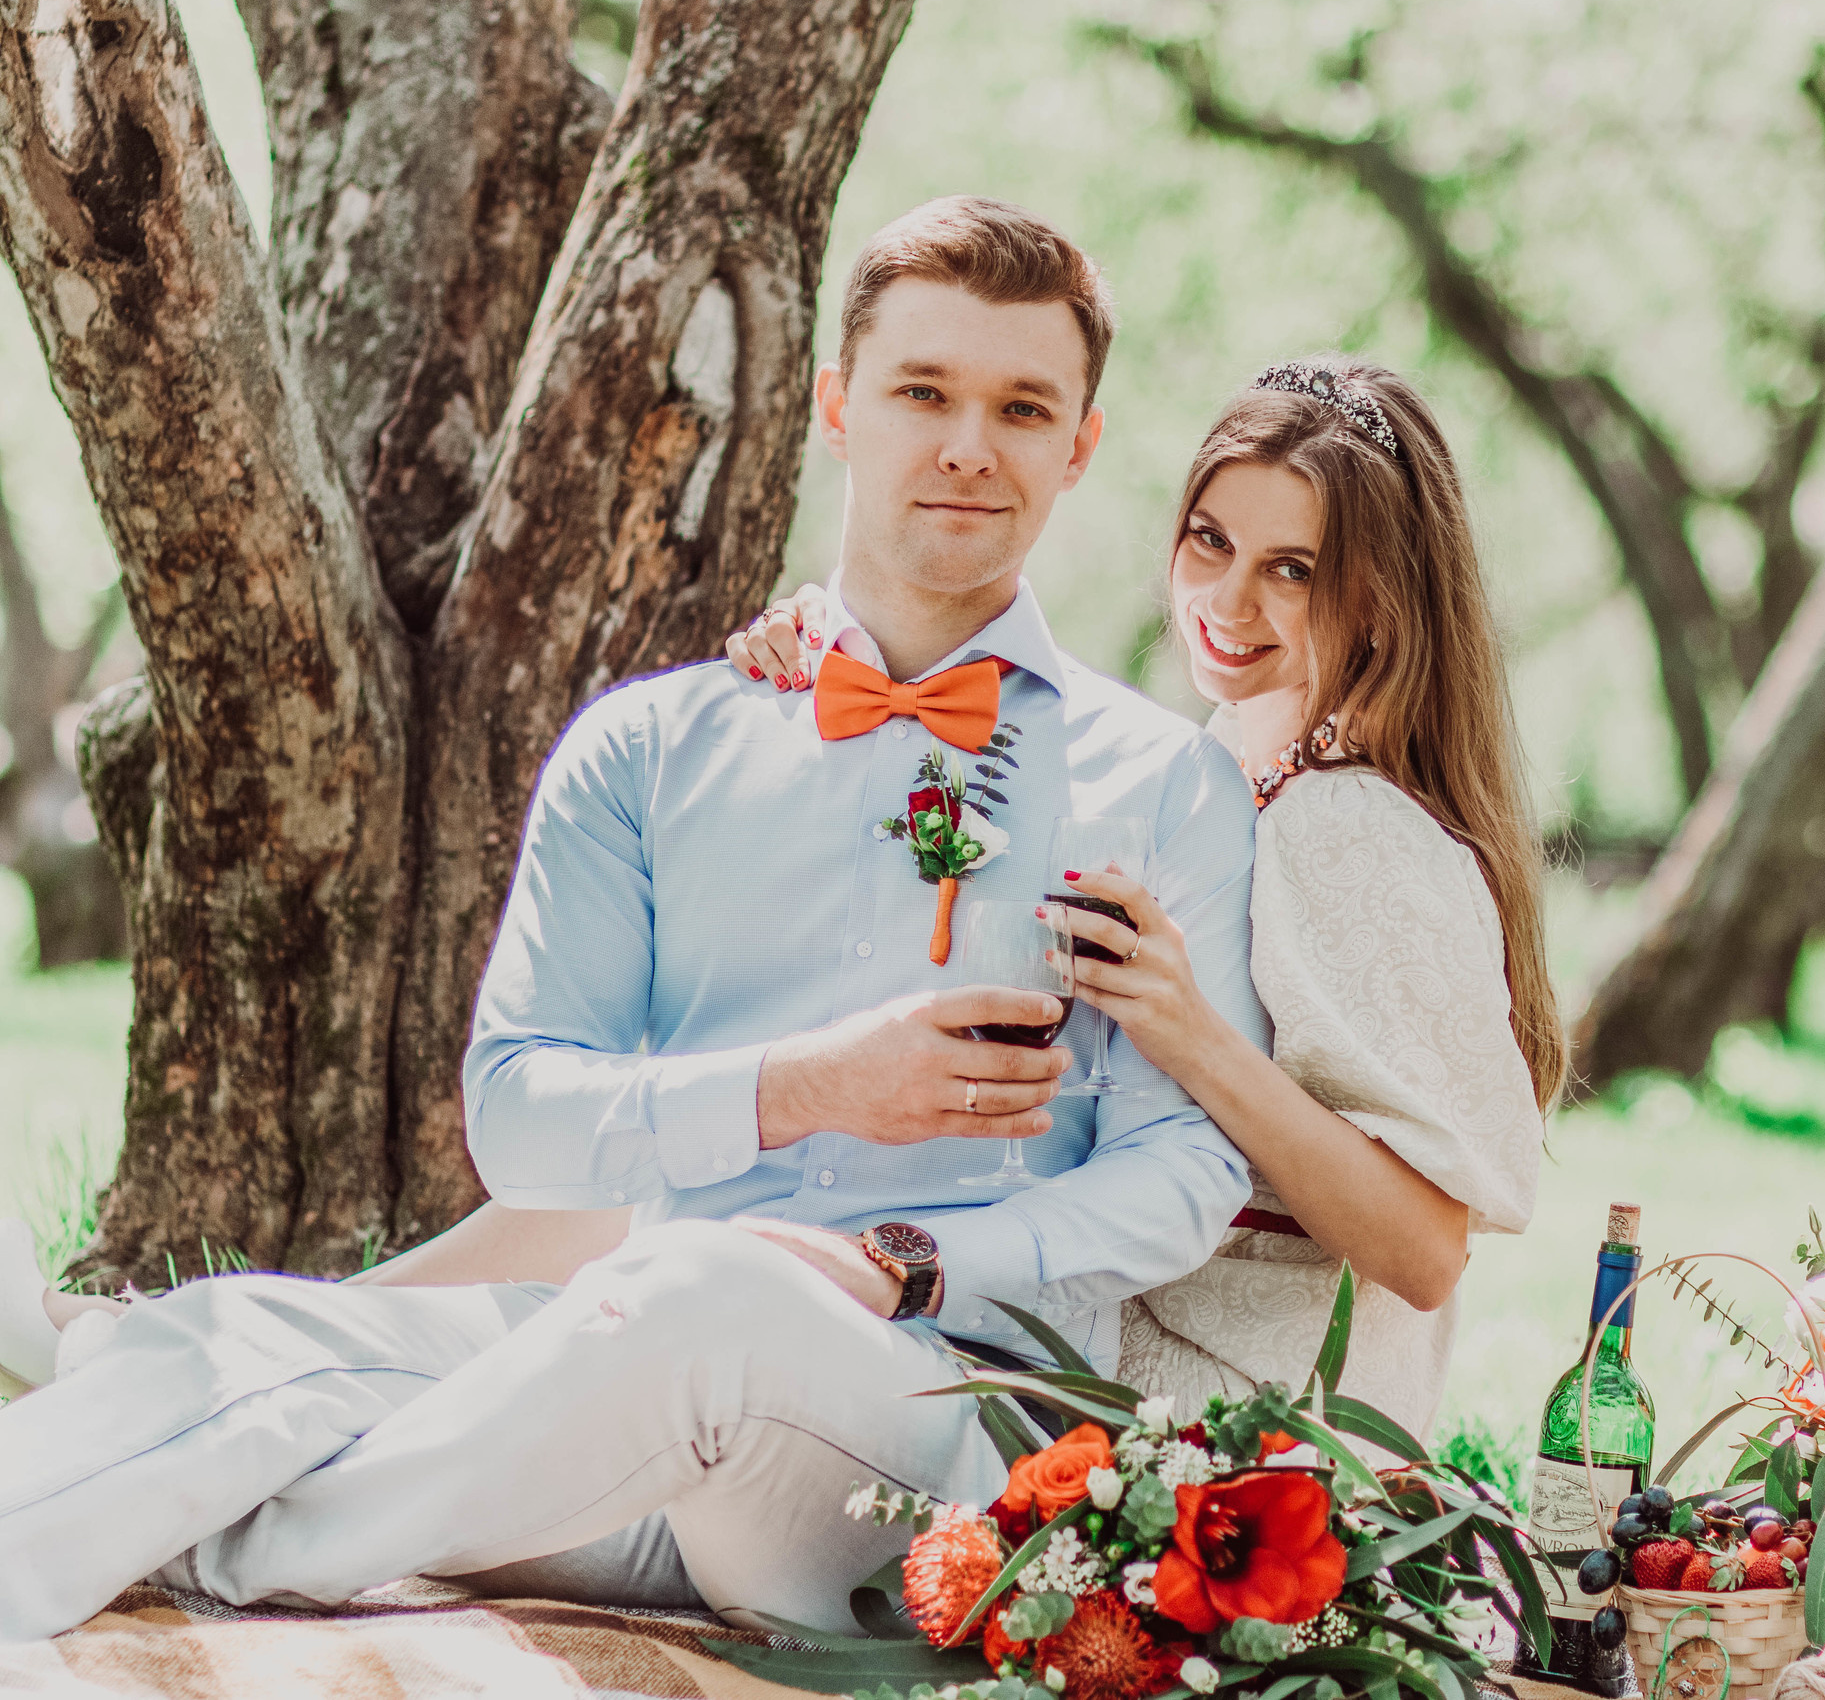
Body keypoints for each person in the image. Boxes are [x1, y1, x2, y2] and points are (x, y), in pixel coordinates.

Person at [0, 196, 1265, 1642]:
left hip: (933, 1444)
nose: (970, 445)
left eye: (1021, 408)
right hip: (591, 1407)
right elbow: (521, 1118)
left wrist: (903, 1256)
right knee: (246, 1335)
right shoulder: (648, 746)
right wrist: (804, 1087)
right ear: (838, 409)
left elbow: (1185, 1168)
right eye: (924, 392)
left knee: (703, 1294)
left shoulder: (1161, 782)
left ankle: (234, 1536)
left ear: (1079, 445)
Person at [724, 352, 1562, 1439]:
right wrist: (838, 636)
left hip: (1216, 1437)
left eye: (1293, 570)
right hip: (1092, 1362)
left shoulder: (1351, 825)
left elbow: (1425, 1252)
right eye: (1211, 541)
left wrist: (1193, 1035)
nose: (1229, 601)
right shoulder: (1223, 767)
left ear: (1378, 599)